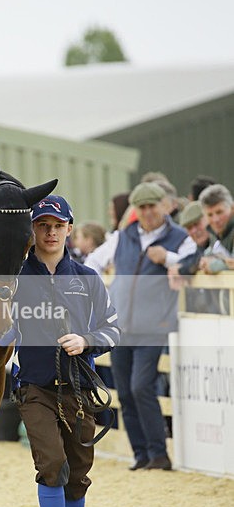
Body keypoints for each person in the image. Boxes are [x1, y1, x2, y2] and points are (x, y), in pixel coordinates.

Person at [13, 195, 120, 507]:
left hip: (79, 388)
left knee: (77, 474)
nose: (51, 231)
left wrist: (86, 340)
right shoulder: (15, 277)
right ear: (33, 230)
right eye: (43, 225)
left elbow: (112, 329)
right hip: (35, 388)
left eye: (58, 225)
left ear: (70, 229)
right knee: (52, 465)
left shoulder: (88, 278)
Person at [87, 182, 196, 471]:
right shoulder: (123, 236)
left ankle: (159, 453)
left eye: (152, 206)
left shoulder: (179, 237)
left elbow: (193, 262)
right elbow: (93, 262)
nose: (148, 212)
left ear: (164, 205)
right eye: (142, 207)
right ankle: (141, 455)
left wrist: (167, 258)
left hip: (153, 324)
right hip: (120, 325)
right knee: (124, 390)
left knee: (141, 387)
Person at [197, 184, 234, 274]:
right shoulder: (214, 233)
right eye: (210, 215)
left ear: (232, 209)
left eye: (219, 212)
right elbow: (206, 257)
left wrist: (213, 265)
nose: (215, 219)